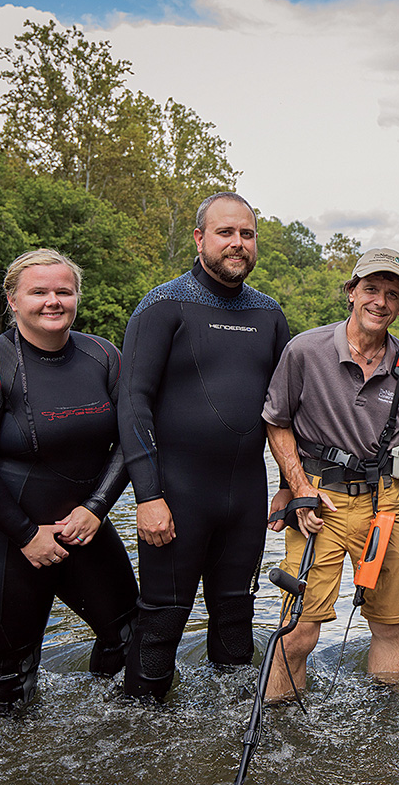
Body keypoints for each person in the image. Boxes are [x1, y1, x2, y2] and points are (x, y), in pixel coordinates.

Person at [0, 249, 139, 713]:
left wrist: (96, 507)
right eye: (39, 292)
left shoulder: (103, 356)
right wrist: (27, 534)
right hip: (0, 532)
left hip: (80, 523)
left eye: (63, 291)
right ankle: (8, 760)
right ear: (13, 300)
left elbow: (132, 437)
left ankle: (109, 731)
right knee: (15, 661)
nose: (53, 301)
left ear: (76, 297)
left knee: (130, 635)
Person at [119, 192, 290, 700]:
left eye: (247, 234)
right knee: (160, 624)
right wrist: (147, 496)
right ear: (199, 238)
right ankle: (134, 736)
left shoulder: (269, 314)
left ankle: (226, 733)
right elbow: (133, 405)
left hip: (245, 497)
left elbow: (285, 411)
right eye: (225, 232)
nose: (237, 243)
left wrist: (288, 483)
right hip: (176, 496)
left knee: (237, 619)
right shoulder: (162, 306)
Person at [260, 248, 399, 700]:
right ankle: (276, 722)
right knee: (299, 631)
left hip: (385, 507)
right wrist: (296, 488)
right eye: (371, 289)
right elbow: (276, 422)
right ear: (351, 292)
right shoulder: (305, 350)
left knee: (393, 626)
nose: (380, 301)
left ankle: (382, 733)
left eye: (392, 294)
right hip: (319, 502)